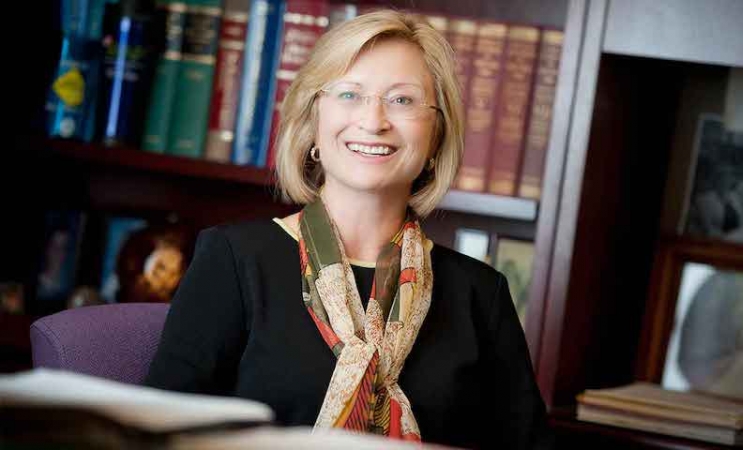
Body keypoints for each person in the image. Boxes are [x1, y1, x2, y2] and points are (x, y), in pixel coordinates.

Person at [144, 10, 550, 449]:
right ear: (313, 121)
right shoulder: (235, 260)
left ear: (436, 137)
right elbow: (158, 436)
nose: (374, 121)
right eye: (350, 94)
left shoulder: (480, 294)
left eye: (403, 100)